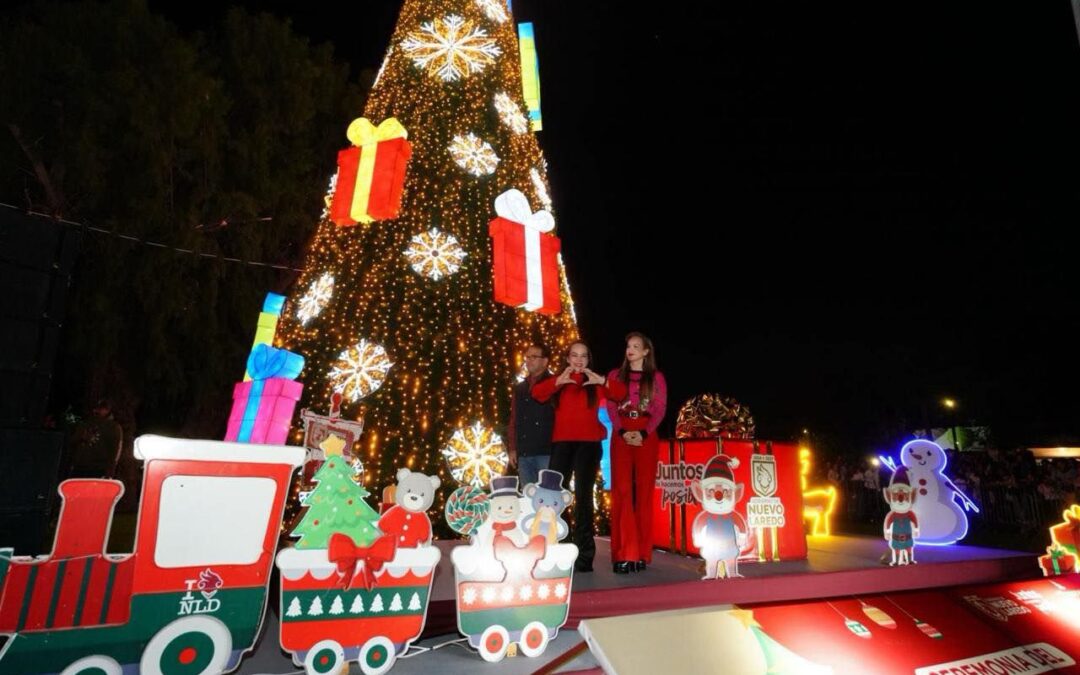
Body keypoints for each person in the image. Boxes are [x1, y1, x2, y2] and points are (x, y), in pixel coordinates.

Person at [532, 341, 626, 572]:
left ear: (588, 359)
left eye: (583, 356)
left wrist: (602, 381)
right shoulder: (560, 381)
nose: (579, 360)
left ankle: (584, 557)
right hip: (562, 445)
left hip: (589, 445)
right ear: (567, 358)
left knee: (583, 498)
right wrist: (558, 381)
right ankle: (559, 549)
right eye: (574, 355)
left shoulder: (594, 382)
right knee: (554, 497)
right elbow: (537, 394)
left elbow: (621, 393)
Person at [606, 332, 667, 574]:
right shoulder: (615, 375)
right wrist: (622, 431)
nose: (630, 350)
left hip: (646, 434)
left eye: (635, 346)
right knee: (622, 491)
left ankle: (641, 553)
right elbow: (611, 405)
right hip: (621, 433)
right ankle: (624, 553)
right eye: (628, 346)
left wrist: (644, 432)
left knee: (643, 493)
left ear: (645, 351)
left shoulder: (656, 377)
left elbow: (660, 408)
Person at [508, 344, 554, 488]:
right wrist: (513, 448)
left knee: (548, 495)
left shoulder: (554, 384)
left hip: (547, 452)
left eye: (534, 357)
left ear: (545, 361)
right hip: (524, 453)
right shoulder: (520, 388)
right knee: (528, 496)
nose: (529, 360)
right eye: (527, 357)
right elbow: (514, 419)